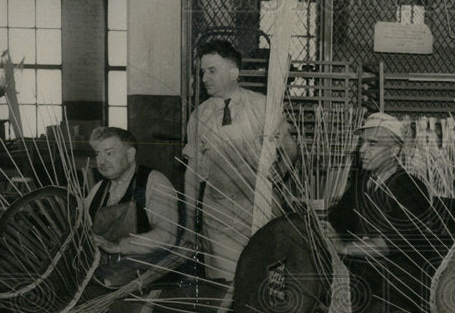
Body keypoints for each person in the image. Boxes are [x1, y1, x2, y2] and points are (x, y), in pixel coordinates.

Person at [182, 39, 298, 282]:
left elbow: (290, 148)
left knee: (264, 279)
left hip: (260, 208)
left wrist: (282, 169)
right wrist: (189, 225)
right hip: (218, 214)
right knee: (227, 285)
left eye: (212, 70)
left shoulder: (263, 106)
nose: (204, 78)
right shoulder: (199, 115)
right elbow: (192, 172)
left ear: (233, 73)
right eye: (203, 71)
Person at [328, 112, 442, 313]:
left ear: (394, 150)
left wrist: (343, 247)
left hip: (397, 289)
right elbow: (336, 222)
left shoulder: (410, 189)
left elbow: (389, 244)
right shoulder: (363, 185)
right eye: (362, 143)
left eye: (372, 144)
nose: (362, 150)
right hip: (364, 278)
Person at [85, 126, 181, 288]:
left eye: (109, 153)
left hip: (145, 265)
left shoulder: (154, 182)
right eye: (97, 154)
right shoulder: (98, 189)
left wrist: (119, 246)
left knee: (107, 283)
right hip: (106, 264)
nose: (101, 162)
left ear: (130, 154)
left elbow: (167, 236)